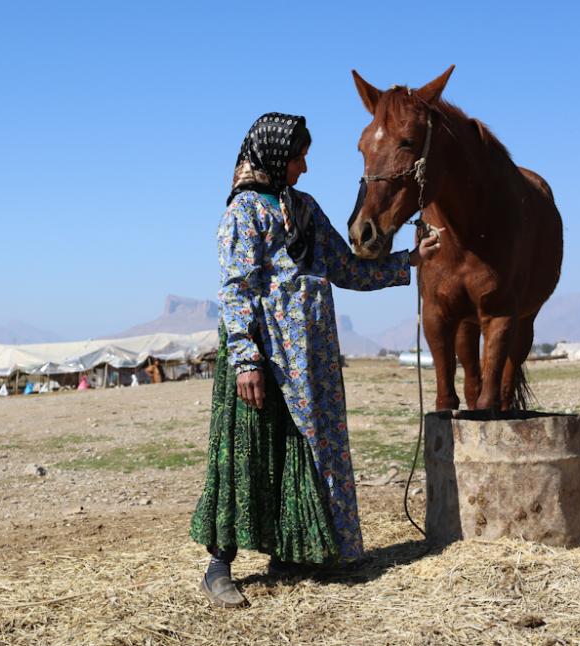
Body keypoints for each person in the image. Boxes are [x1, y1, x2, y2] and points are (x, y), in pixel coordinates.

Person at [189, 112, 440, 608]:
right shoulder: (242, 214)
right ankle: (220, 565)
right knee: (247, 453)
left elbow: (344, 267)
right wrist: (246, 360)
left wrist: (407, 262)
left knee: (305, 450)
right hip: (262, 355)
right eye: (297, 156)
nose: (304, 167)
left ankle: (293, 551)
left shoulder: (304, 209)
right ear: (275, 157)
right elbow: (237, 290)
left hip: (311, 360)